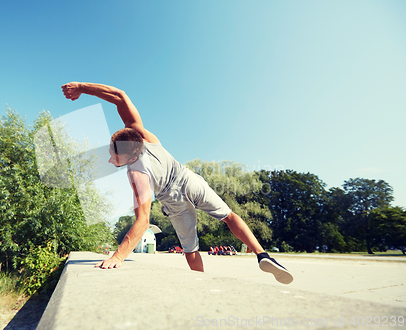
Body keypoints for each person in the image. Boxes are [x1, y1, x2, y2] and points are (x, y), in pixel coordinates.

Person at [61, 82, 293, 285]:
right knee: (229, 216)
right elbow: (120, 96)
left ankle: (203, 286)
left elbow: (143, 221)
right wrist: (82, 88)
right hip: (187, 179)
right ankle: (262, 255)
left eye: (115, 155)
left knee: (191, 250)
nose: (110, 158)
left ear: (131, 158)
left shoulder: (136, 174)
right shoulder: (141, 135)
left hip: (172, 201)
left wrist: (118, 256)